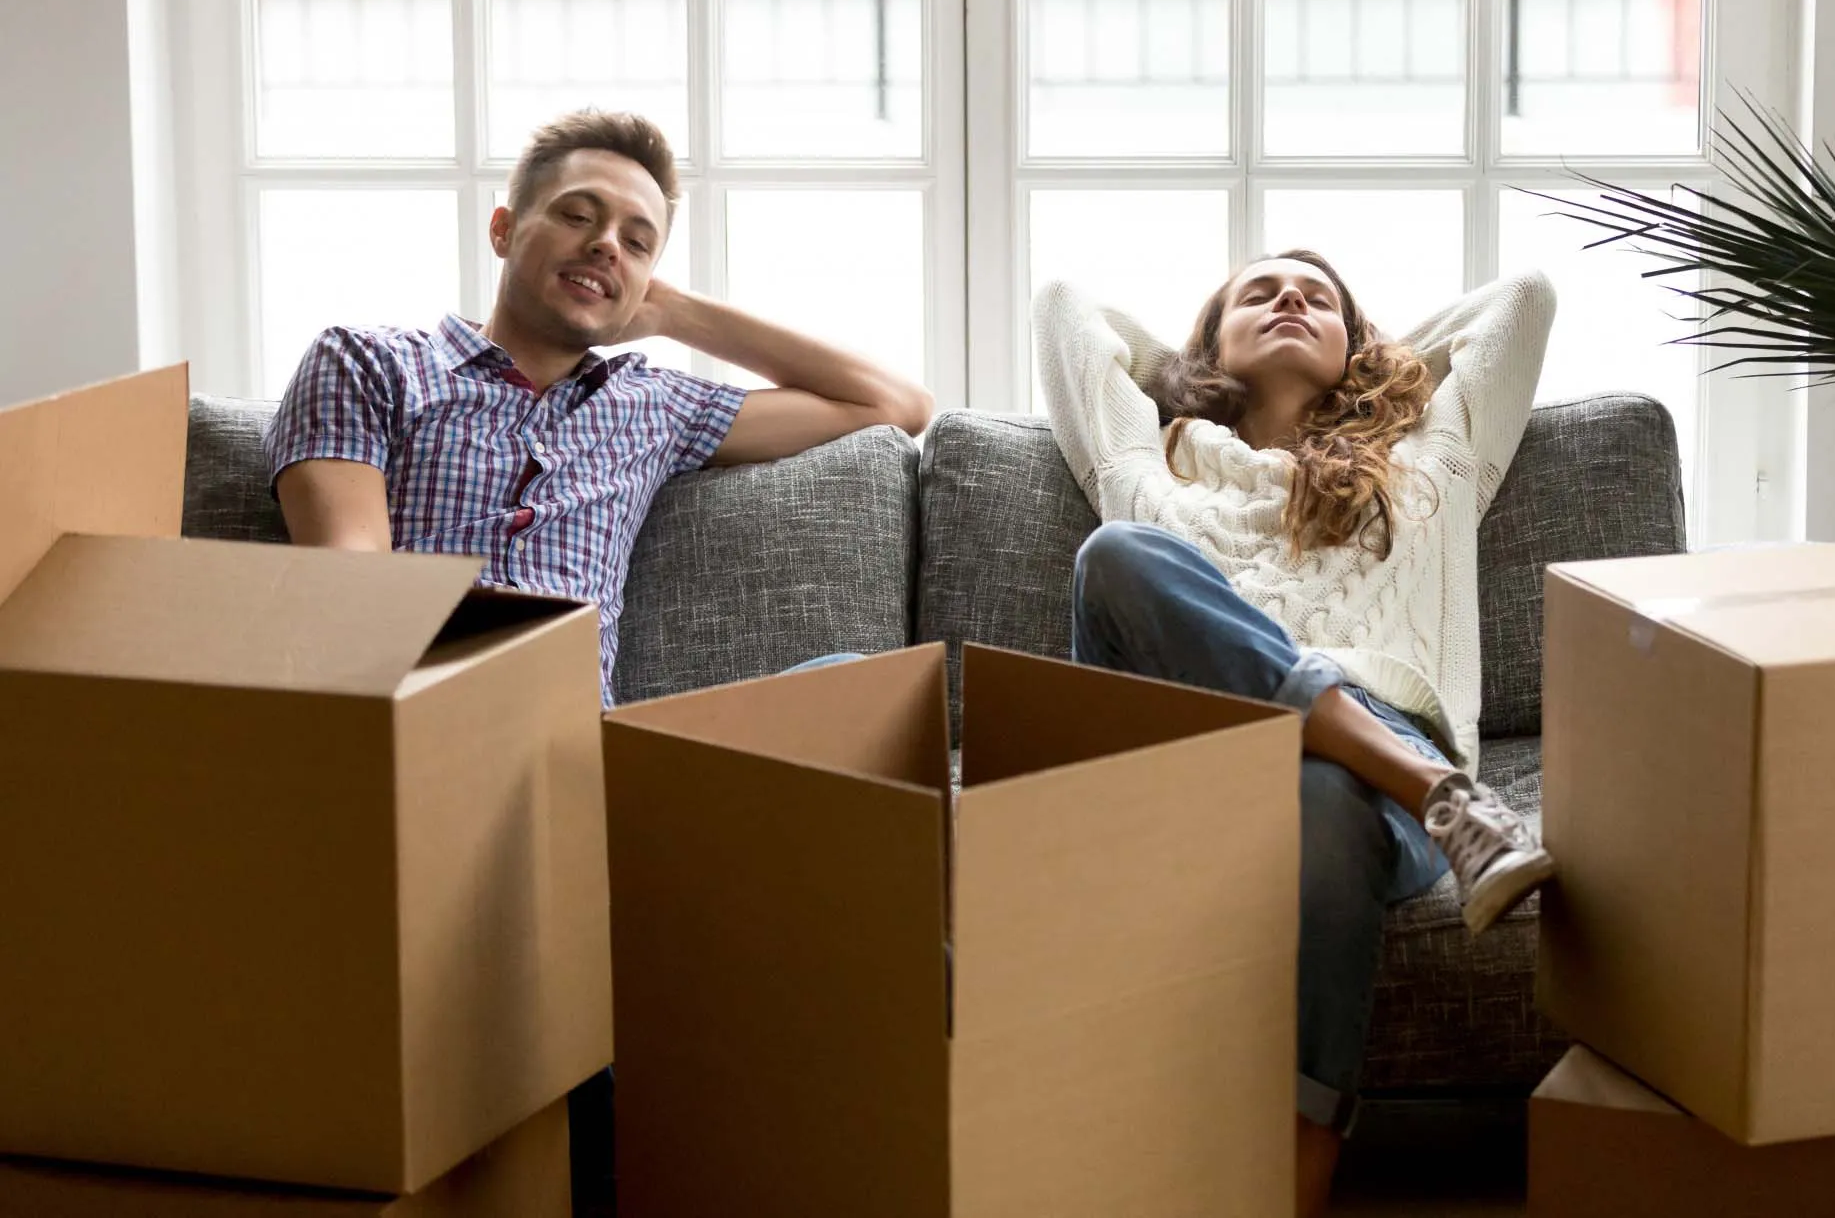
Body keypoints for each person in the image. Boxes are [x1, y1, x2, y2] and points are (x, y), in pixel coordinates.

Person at [1034, 251, 1557, 1215]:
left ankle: (1297, 1176)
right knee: (1115, 553)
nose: (1290, 300)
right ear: (1209, 340)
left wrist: (1379, 365)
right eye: (1261, 293)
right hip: (1194, 768)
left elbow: (1523, 302)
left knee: (1318, 790)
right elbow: (1067, 308)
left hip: (1349, 800)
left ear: (1358, 344)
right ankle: (1442, 799)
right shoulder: (1152, 458)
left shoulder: (1428, 460)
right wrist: (1189, 370)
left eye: (1319, 300)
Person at [265, 108, 934, 706]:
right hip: (416, 716)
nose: (607, 244)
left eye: (637, 243)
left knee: (856, 687)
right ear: (503, 229)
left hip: (589, 760)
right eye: (578, 216)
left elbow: (895, 402)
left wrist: (675, 312)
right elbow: (351, 586)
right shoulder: (368, 363)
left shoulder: (656, 406)